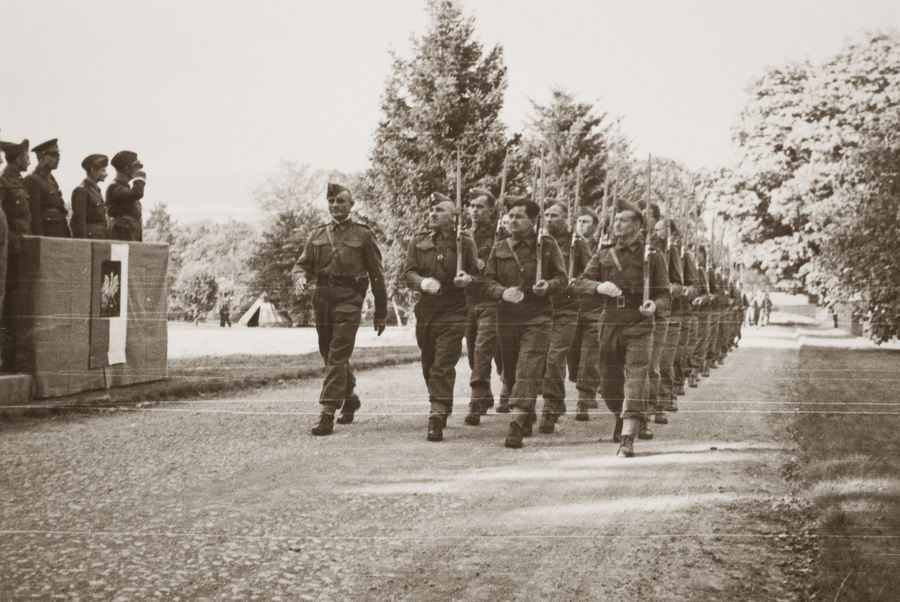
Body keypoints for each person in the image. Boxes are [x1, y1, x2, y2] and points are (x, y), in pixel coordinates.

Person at [574, 202, 670, 458]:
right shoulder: (603, 253)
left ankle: (628, 435)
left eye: (623, 220)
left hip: (639, 321)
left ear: (638, 226)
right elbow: (581, 282)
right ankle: (621, 414)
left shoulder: (652, 256)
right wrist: (599, 287)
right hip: (609, 319)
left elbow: (665, 295)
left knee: (637, 375)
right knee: (608, 382)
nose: (616, 224)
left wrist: (654, 305)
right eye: (615, 220)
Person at [291, 183, 387, 436]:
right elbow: (302, 265)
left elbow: (377, 275)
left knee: (337, 354)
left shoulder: (364, 235)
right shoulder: (317, 234)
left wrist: (381, 311)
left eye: (341, 201)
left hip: (349, 300)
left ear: (351, 205)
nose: (335, 205)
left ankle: (327, 412)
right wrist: (300, 277)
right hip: (322, 299)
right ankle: (350, 396)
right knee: (328, 352)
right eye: (331, 201)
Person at [481, 197, 567, 449]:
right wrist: (501, 292)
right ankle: (527, 413)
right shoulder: (499, 247)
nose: (512, 220)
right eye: (510, 216)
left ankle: (516, 423)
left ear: (533, 220)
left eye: (519, 216)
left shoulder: (547, 246)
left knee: (527, 368)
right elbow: (487, 281)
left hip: (537, 315)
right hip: (507, 317)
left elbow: (562, 280)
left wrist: (547, 286)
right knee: (510, 372)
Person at [405, 195, 479, 441]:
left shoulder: (464, 243)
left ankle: (436, 414)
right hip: (427, 308)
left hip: (455, 307)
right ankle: (442, 403)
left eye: (439, 210)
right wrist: (422, 282)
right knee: (429, 362)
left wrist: (466, 280)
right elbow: (408, 274)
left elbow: (479, 277)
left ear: (453, 215)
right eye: (431, 209)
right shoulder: (419, 241)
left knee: (443, 363)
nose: (433, 214)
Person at [538, 201, 590, 434]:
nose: (549, 219)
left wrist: (575, 282)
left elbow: (590, 275)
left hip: (567, 308)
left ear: (566, 218)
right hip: (541, 308)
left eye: (555, 215)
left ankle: (549, 406)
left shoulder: (577, 243)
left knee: (555, 357)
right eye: (546, 215)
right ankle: (557, 400)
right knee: (540, 360)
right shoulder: (540, 242)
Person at [463, 188, 502, 423]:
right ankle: (486, 394)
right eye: (472, 206)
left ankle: (476, 400)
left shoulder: (501, 236)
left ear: (492, 211)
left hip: (491, 300)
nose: (475, 210)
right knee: (472, 354)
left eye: (480, 207)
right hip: (468, 300)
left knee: (482, 349)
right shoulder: (463, 236)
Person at [0, 139, 32, 373]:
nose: (29, 159)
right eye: (26, 155)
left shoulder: (19, 181)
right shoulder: (3, 182)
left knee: (17, 302)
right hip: (9, 251)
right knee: (9, 303)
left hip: (22, 249)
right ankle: (7, 358)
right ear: (17, 158)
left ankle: (12, 357)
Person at [25, 139, 70, 238]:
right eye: (53, 155)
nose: (58, 159)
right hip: (46, 236)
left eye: (58, 155)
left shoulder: (51, 180)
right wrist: (40, 239)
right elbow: (34, 214)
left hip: (59, 234)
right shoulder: (33, 179)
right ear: (41, 157)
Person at [106, 151, 146, 242]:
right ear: (127, 168)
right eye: (135, 167)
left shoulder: (126, 188)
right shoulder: (114, 188)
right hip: (121, 239)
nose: (137, 171)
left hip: (130, 237)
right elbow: (137, 193)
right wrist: (139, 178)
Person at [71, 154, 109, 239]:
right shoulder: (81, 191)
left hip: (100, 238)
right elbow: (79, 222)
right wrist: (83, 245)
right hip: (90, 240)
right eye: (103, 171)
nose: (106, 174)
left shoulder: (96, 190)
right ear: (93, 171)